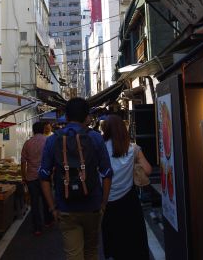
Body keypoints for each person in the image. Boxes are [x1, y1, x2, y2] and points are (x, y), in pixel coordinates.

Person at [39, 97, 113, 260]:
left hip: (66, 207)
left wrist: (52, 208)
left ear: (66, 116)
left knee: (73, 254)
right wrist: (103, 203)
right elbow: (107, 173)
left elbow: (43, 176)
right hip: (92, 205)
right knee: (92, 251)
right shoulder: (95, 138)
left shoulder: (53, 139)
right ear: (87, 116)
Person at [101, 114, 152, 260]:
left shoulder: (101, 148)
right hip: (129, 200)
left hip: (107, 200)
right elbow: (148, 170)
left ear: (106, 129)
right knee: (132, 238)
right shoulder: (133, 148)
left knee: (112, 238)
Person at [21, 121, 52, 235]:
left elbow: (23, 161)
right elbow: (52, 158)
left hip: (31, 177)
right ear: (43, 130)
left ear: (33, 130)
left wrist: (23, 176)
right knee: (46, 199)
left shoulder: (28, 143)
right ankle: (48, 221)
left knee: (34, 202)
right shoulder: (48, 141)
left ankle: (37, 228)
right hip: (45, 176)